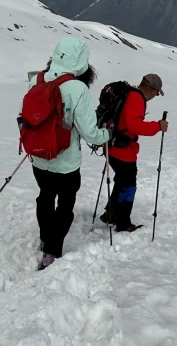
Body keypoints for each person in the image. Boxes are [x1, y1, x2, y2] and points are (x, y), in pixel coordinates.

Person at [29, 37, 110, 270]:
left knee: (45, 197)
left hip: (39, 158)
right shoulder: (78, 88)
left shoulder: (37, 79)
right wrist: (107, 135)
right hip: (66, 161)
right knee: (65, 205)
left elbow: (28, 117)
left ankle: (45, 238)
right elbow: (90, 132)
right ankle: (52, 252)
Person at [100, 73, 169, 232]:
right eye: (156, 93)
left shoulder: (129, 93)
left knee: (122, 181)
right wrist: (158, 126)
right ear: (151, 89)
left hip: (112, 145)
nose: (155, 96)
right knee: (128, 185)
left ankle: (110, 214)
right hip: (123, 150)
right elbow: (134, 126)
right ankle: (123, 223)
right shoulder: (136, 98)